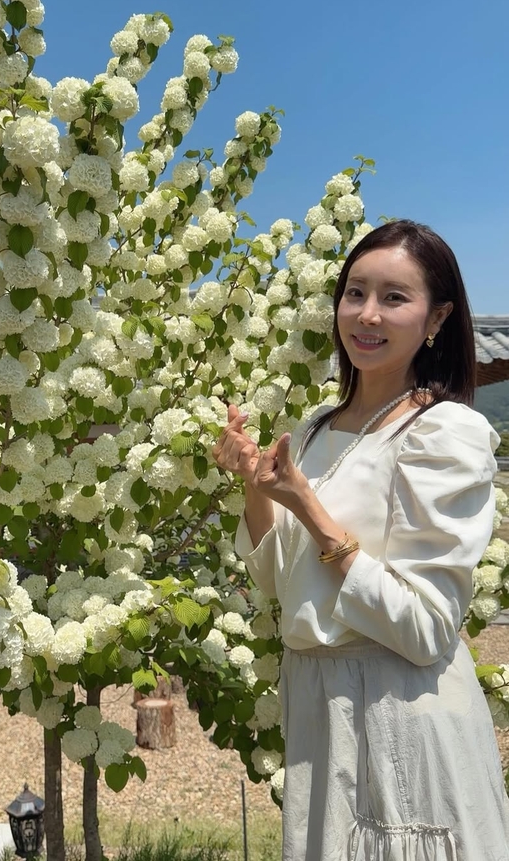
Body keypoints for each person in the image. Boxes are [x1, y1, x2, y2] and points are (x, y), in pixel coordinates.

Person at [212, 220, 509, 860]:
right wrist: (257, 485)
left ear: (437, 317)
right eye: (355, 293)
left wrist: (310, 508)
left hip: (398, 710)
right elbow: (276, 582)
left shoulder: (443, 433)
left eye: (394, 298)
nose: (367, 315)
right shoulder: (316, 428)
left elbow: (427, 627)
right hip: (318, 707)